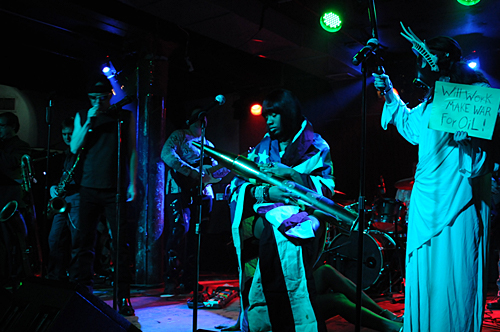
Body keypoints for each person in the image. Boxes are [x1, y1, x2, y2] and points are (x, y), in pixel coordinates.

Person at [373, 24, 492, 331]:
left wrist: (470, 135)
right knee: (424, 270)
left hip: (457, 198)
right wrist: (388, 91)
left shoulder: (472, 93)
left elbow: (484, 137)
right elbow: (410, 126)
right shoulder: (428, 104)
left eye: (427, 60)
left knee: (455, 271)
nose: (421, 67)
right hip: (426, 197)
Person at [229, 89, 334, 332]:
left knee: (281, 231)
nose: (269, 121)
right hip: (266, 215)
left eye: (275, 114)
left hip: (304, 218)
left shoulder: (317, 146)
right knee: (272, 228)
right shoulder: (263, 147)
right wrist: (266, 194)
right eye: (267, 115)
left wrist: (294, 176)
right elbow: (237, 185)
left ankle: (284, 321)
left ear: (288, 113)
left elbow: (327, 189)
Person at [70, 76, 137, 316]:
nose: (98, 101)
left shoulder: (124, 117)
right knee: (83, 241)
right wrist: (89, 119)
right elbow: (73, 147)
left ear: (111, 96)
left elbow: (131, 151)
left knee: (120, 243)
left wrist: (132, 183)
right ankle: (82, 290)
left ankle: (123, 297)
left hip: (115, 187)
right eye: (94, 98)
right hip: (89, 186)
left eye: (103, 97)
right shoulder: (83, 115)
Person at [160, 107, 227, 296]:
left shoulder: (210, 145)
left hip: (204, 193)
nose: (202, 126)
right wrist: (191, 171)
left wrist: (227, 168)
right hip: (179, 191)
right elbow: (167, 155)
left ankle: (190, 279)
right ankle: (171, 280)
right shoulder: (179, 136)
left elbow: (216, 174)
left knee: (197, 238)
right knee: (178, 233)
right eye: (199, 122)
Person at [46, 117, 81, 281]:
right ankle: (56, 277)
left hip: (76, 198)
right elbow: (60, 175)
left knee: (77, 241)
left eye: (70, 133)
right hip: (63, 199)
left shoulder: (81, 152)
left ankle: (76, 279)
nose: (67, 137)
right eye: (64, 134)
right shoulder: (65, 154)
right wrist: (54, 187)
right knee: (55, 239)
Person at [0, 112, 31, 287]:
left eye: (2, 125)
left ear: (12, 127)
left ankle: (13, 278)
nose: (0, 129)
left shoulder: (22, 147)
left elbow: (10, 165)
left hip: (9, 199)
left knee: (10, 242)